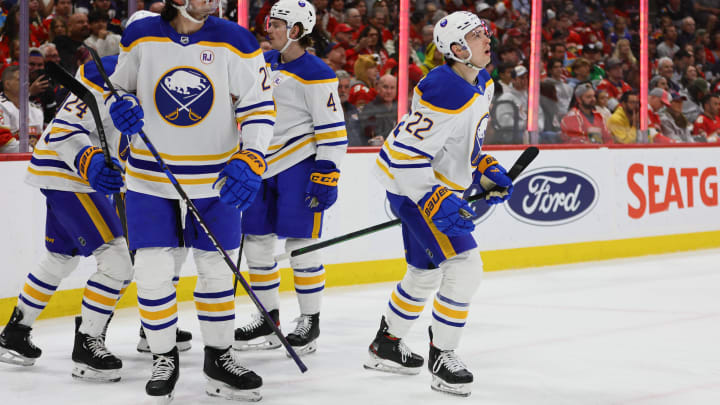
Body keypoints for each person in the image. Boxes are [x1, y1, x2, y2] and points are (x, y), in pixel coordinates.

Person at [109, 0, 274, 401]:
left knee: (217, 270)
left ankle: (220, 358)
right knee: (151, 268)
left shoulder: (237, 40)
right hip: (150, 175)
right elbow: (118, 86)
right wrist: (123, 105)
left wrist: (252, 154)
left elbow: (258, 105)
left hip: (216, 177)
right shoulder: (141, 35)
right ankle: (164, 356)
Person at [365, 12, 513, 397]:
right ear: (456, 49)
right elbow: (397, 157)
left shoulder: (481, 82)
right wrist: (433, 198)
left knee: (424, 273)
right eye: (477, 36)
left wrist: (483, 167)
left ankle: (386, 345)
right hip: (419, 192)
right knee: (465, 267)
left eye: (485, 33)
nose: (487, 40)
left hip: (434, 191)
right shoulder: (447, 88)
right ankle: (443, 356)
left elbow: (461, 143)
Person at [0, 57, 131, 382]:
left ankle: (14, 333)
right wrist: (92, 162)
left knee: (60, 258)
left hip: (66, 175)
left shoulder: (147, 81)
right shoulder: (108, 78)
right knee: (118, 263)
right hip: (70, 176)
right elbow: (61, 133)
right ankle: (87, 345)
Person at [234, 0, 347, 357]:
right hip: (260, 164)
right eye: (270, 22)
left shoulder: (317, 72)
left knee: (300, 248)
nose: (270, 29)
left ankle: (309, 321)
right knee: (256, 244)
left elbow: (332, 129)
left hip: (299, 165)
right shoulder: (264, 63)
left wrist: (327, 171)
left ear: (297, 30)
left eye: (278, 24)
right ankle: (268, 319)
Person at [0, 66, 44, 152]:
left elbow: (41, 141)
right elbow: (3, 143)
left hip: (31, 162)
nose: (27, 83)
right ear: (7, 84)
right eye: (21, 79)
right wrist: (34, 153)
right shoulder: (1, 105)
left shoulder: (36, 110)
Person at [360, 74, 397, 145]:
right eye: (385, 87)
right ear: (378, 88)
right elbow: (370, 136)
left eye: (392, 88)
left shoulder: (400, 108)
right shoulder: (369, 109)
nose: (389, 91)